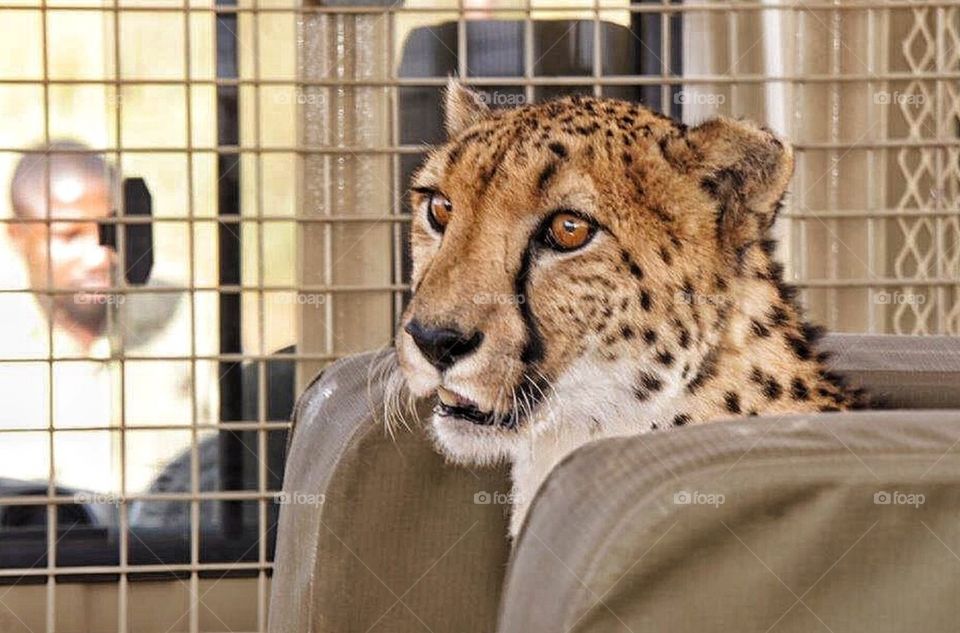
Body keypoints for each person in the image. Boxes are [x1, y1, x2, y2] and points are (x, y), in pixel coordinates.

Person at [0, 141, 213, 499]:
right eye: (69, 236)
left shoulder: (186, 312)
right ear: (17, 235)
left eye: (110, 230)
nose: (101, 256)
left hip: (169, 549)